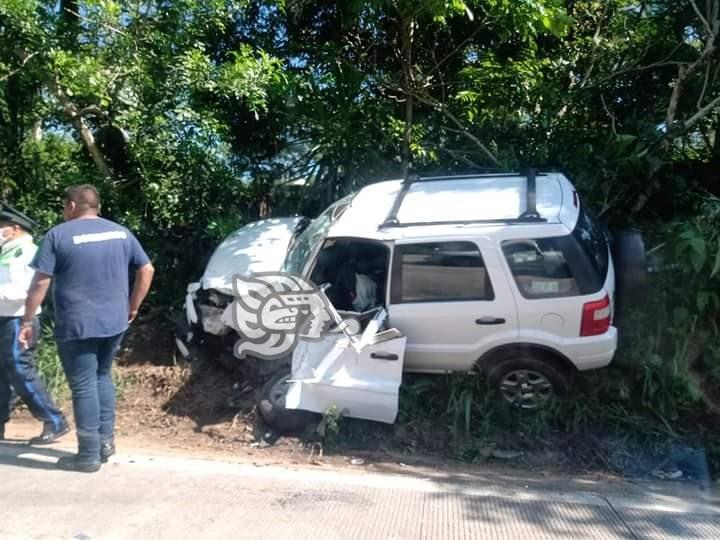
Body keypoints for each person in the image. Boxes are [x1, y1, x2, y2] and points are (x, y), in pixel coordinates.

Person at [18, 185, 155, 473]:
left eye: (63, 206)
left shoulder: (58, 235)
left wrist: (28, 320)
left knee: (83, 385)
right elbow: (147, 269)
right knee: (102, 376)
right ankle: (105, 442)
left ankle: (89, 455)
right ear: (97, 207)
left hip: (78, 323)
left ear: (71, 205)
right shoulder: (121, 233)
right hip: (114, 321)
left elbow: (41, 282)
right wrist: (133, 306)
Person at [0, 204, 70, 444]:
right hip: (3, 318)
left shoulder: (28, 252)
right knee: (2, 375)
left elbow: (25, 290)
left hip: (19, 319)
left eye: (1, 226)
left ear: (14, 228)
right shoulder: (5, 250)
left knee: (20, 371)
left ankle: (54, 420)